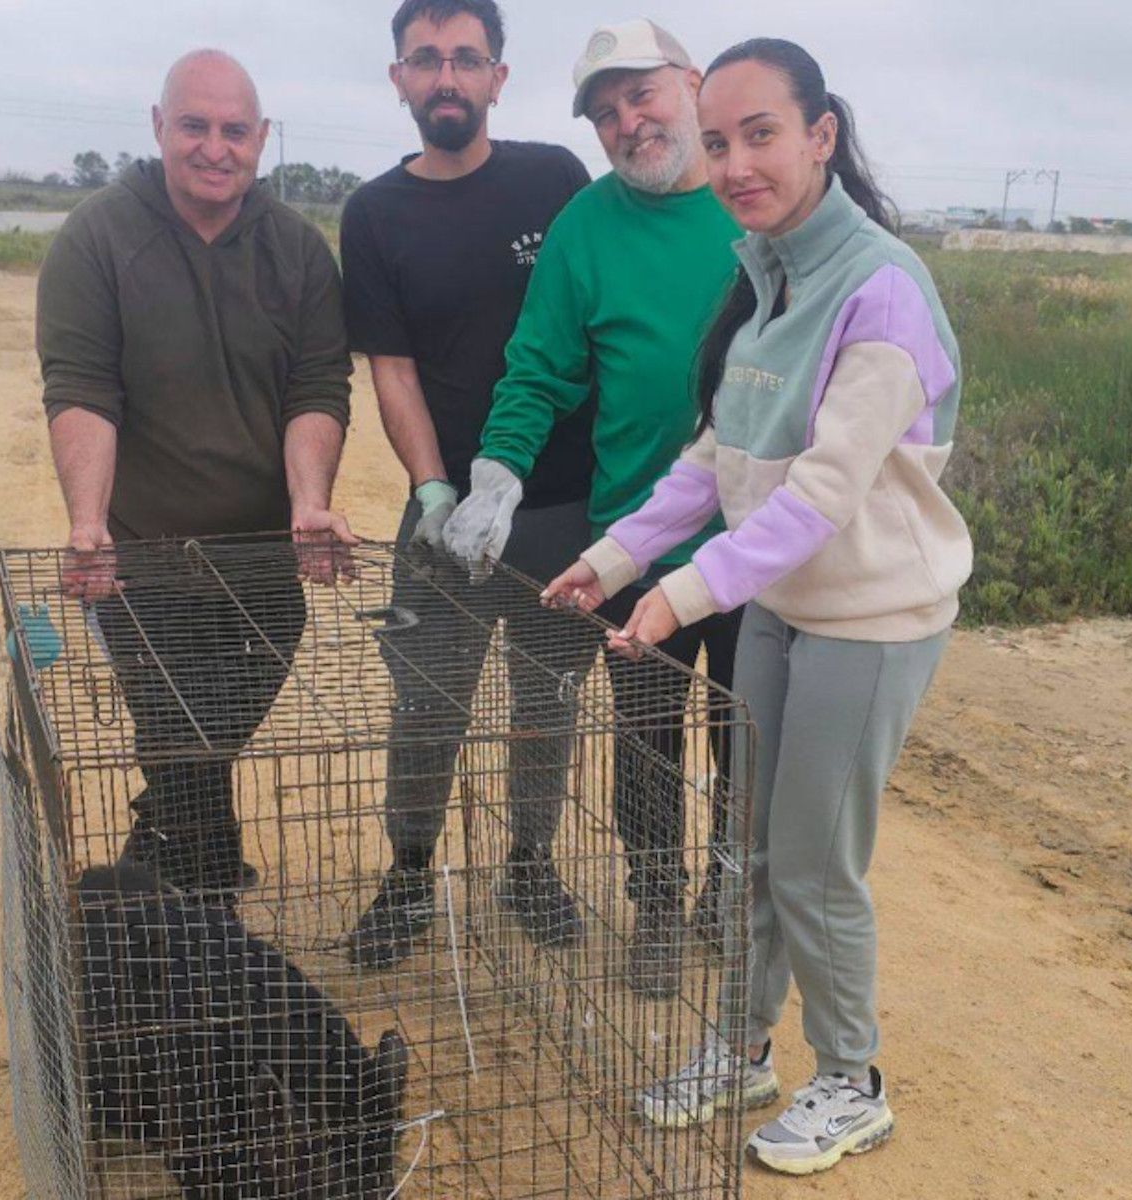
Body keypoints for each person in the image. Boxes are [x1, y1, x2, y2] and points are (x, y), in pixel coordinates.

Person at [543, 38, 972, 1175]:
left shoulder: (879, 289)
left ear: (822, 134)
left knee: (814, 860)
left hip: (869, 618)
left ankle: (850, 1079)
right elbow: (709, 462)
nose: (735, 162)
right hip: (783, 606)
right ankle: (739, 1044)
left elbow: (822, 498)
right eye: (721, 140)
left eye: (762, 135)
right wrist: (614, 559)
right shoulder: (765, 274)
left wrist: (679, 596)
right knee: (747, 846)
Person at [440, 18, 744, 997]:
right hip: (638, 538)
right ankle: (658, 905)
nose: (628, 122)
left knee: (747, 735)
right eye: (606, 112)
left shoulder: (756, 204)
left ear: (692, 83)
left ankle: (733, 898)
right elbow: (537, 372)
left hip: (761, 539)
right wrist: (498, 472)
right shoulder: (587, 226)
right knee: (647, 737)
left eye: (642, 95)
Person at [36, 49, 355, 896]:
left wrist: (309, 504)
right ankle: (200, 899)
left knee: (203, 735)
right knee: (175, 729)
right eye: (195, 127)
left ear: (260, 138)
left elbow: (317, 390)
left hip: (262, 561)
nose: (216, 148)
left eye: (234, 131)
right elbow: (80, 389)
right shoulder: (98, 237)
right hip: (146, 555)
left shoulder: (297, 251)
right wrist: (87, 522)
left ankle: (164, 841)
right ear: (157, 127)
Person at [337, 0, 602, 969]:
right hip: (443, 509)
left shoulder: (555, 180)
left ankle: (529, 864)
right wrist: (434, 490)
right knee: (425, 702)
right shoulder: (371, 214)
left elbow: (592, 324)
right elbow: (393, 368)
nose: (445, 77)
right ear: (398, 78)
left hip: (561, 503)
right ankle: (406, 879)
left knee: (546, 701)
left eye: (464, 58)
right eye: (425, 60)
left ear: (498, 75)